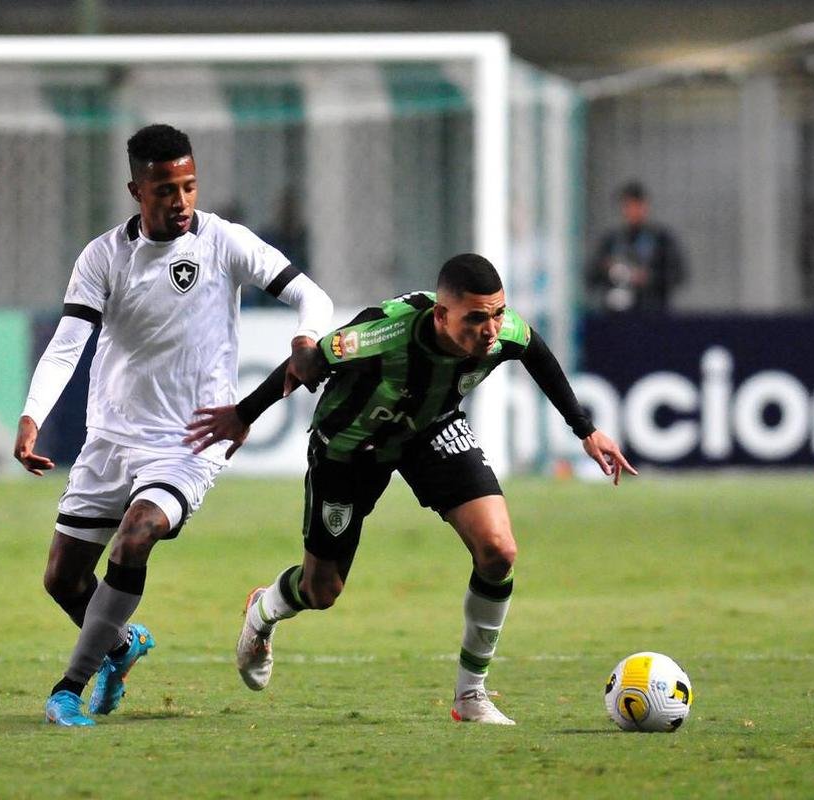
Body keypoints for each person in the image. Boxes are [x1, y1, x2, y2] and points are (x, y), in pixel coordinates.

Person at [185, 253, 635, 725]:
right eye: (476, 318)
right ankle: (265, 608)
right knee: (322, 591)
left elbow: (537, 351)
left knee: (498, 550)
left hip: (429, 431)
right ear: (441, 315)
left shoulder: (503, 331)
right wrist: (243, 415)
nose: (491, 329)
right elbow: (306, 362)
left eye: (498, 314)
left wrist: (585, 430)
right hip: (349, 449)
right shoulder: (381, 334)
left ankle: (470, 695)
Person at [13, 123, 333, 727]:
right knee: (62, 579)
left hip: (189, 442)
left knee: (137, 535)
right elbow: (67, 344)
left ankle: (67, 690)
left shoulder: (223, 242)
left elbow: (312, 296)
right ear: (137, 190)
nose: (181, 201)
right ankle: (119, 645)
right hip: (110, 439)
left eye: (188, 186)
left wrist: (304, 336)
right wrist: (33, 417)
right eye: (165, 189)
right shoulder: (104, 256)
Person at [588, 181, 686, 313]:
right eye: (628, 206)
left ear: (645, 207)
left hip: (652, 313)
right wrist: (606, 269)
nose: (633, 211)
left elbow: (678, 275)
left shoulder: (661, 240)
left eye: (637, 205)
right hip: (615, 314)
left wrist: (648, 278)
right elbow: (591, 277)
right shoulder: (611, 241)